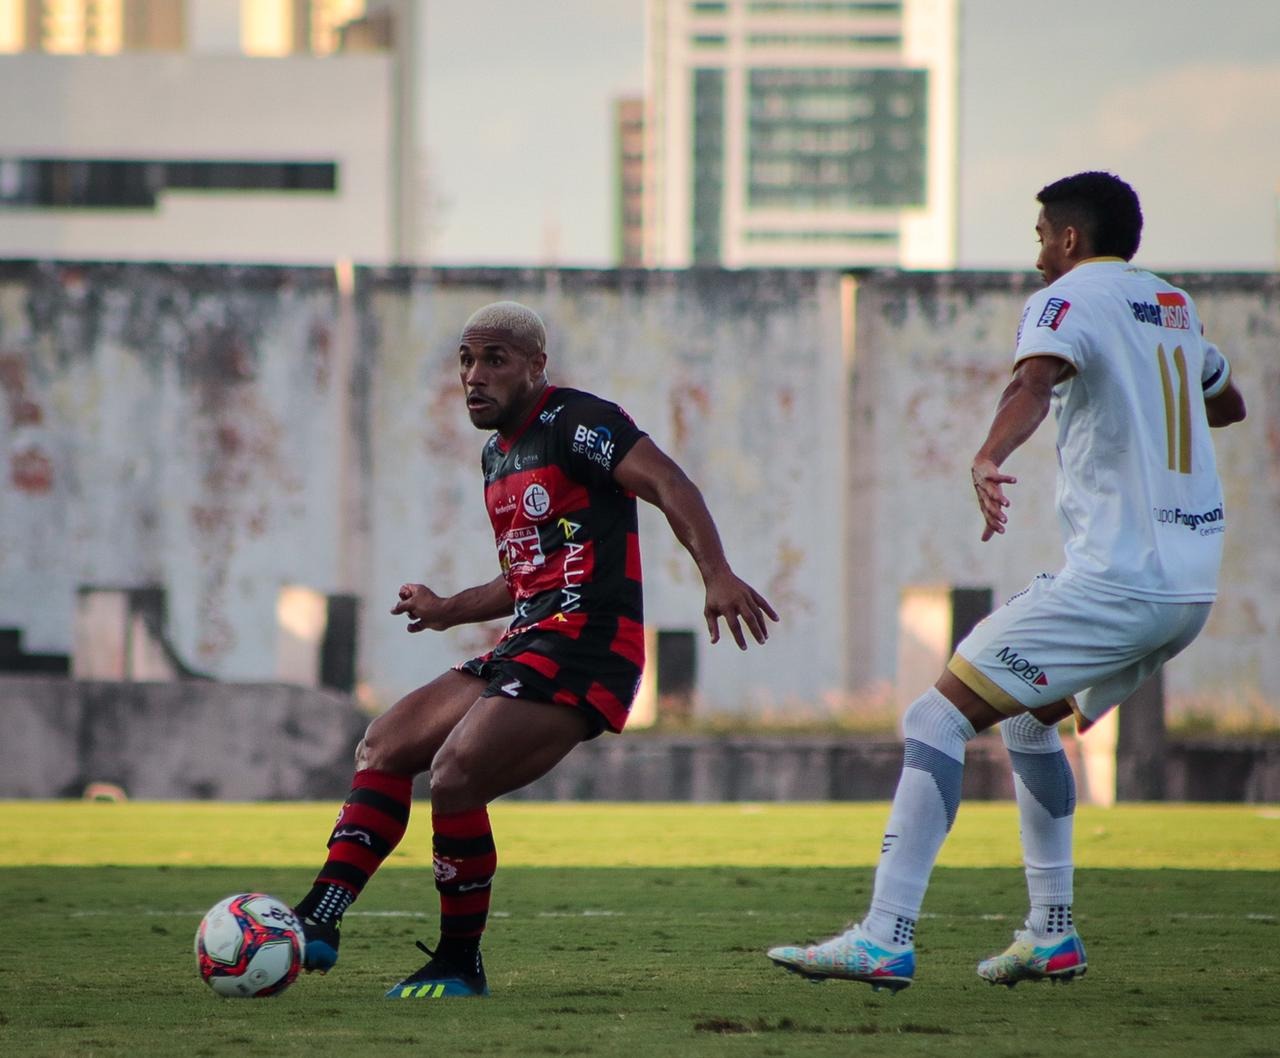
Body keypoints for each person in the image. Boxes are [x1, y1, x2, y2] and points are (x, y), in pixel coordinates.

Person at [766, 171, 1247, 992]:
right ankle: (1051, 933)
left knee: (934, 715)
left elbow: (1033, 382)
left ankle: (884, 936)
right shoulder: (1172, 306)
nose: (1035, 257)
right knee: (1026, 724)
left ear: (1068, 239)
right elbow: (1226, 402)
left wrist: (989, 455)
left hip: (1119, 584)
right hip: (1187, 587)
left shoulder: (1068, 300)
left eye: (1039, 239)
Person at [293, 300, 778, 999]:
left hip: (589, 647)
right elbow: (524, 577)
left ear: (535, 366)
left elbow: (670, 483)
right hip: (529, 638)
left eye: (494, 359)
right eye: (465, 359)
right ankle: (322, 919)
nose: (474, 375)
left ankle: (461, 963)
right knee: (385, 744)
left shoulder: (580, 423)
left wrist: (718, 573)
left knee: (456, 775)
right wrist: (444, 610)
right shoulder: (495, 455)